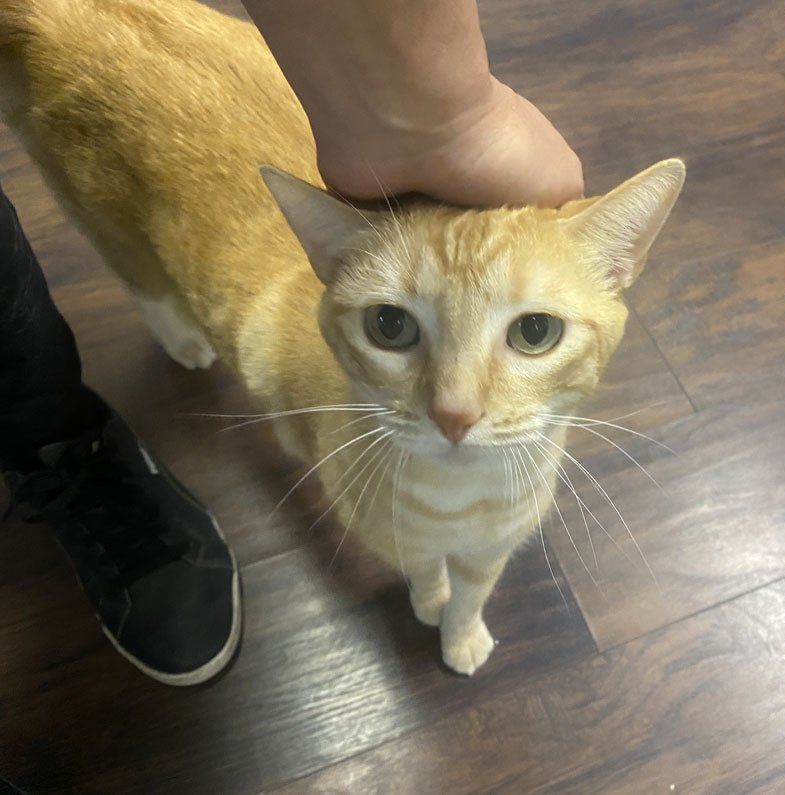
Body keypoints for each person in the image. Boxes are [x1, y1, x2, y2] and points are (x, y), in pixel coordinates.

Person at [0, 0, 583, 686]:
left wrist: (455, 118)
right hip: (123, 113)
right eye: (392, 325)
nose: (456, 406)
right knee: (158, 295)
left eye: (533, 329)